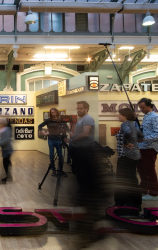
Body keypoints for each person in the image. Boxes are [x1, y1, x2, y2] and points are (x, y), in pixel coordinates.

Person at [67, 101, 107, 247]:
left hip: (84, 153)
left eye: (80, 109)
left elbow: (85, 133)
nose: (78, 110)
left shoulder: (88, 119)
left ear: (86, 108)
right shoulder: (80, 120)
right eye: (77, 109)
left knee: (88, 196)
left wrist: (73, 139)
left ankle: (89, 233)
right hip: (80, 154)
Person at [114, 108, 144, 210]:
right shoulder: (134, 124)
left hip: (125, 156)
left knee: (122, 179)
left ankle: (121, 202)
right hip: (133, 156)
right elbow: (141, 137)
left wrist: (127, 143)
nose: (118, 116)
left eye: (120, 114)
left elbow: (128, 133)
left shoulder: (125, 124)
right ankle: (134, 202)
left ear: (125, 115)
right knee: (131, 179)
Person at [137, 98, 158, 201]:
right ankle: (144, 191)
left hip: (150, 148)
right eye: (140, 108)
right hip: (143, 147)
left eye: (143, 107)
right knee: (142, 170)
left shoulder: (155, 117)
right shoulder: (146, 117)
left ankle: (153, 194)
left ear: (149, 106)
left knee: (149, 171)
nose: (141, 109)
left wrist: (144, 139)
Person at [38, 108, 69, 177]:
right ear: (51, 113)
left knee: (60, 155)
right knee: (51, 155)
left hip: (58, 139)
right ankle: (53, 170)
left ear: (57, 112)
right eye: (52, 112)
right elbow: (39, 126)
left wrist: (68, 134)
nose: (53, 114)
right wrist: (44, 132)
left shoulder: (60, 120)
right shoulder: (48, 120)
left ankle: (60, 170)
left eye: (54, 112)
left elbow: (66, 127)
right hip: (51, 139)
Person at [0, 118, 13, 184]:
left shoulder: (6, 130)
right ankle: (8, 177)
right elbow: (3, 140)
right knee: (5, 164)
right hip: (6, 149)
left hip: (7, 150)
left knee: (4, 165)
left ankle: (3, 179)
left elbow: (5, 141)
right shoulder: (4, 129)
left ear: (2, 124)